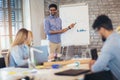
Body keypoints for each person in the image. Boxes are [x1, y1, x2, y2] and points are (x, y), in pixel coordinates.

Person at [89, 15, 120, 80]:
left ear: (102, 29)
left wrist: (91, 64)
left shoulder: (109, 45)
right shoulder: (117, 37)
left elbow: (95, 69)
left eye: (98, 30)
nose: (99, 33)